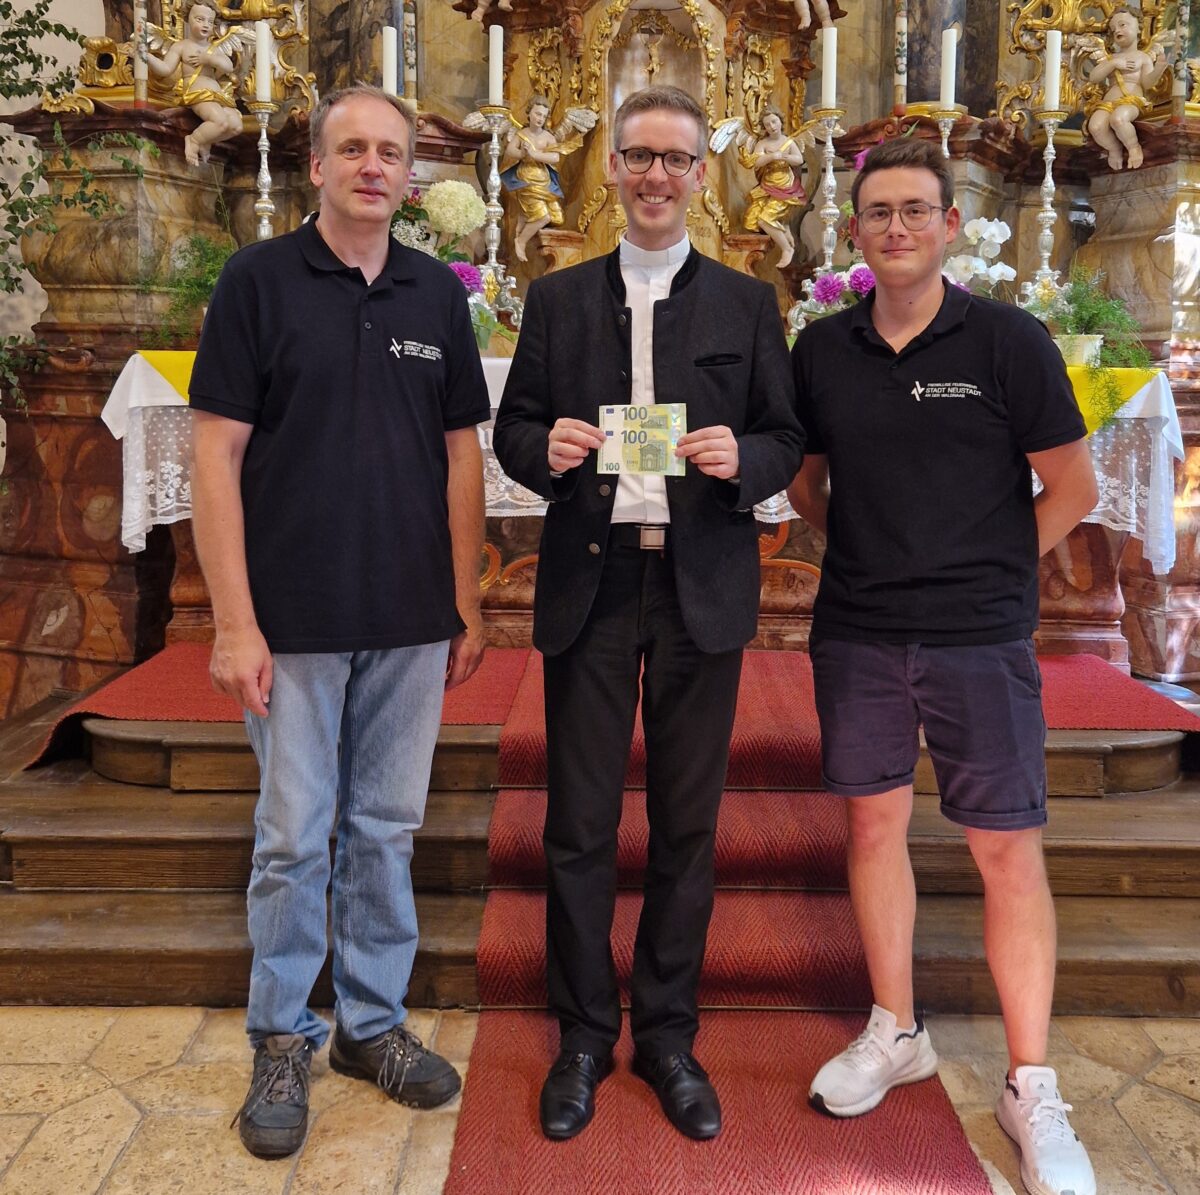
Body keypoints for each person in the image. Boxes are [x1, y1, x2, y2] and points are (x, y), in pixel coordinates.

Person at [788, 137, 1098, 1195]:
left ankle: (1029, 1082)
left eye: (917, 210)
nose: (897, 228)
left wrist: (989, 568)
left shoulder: (1008, 340)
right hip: (860, 630)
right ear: (855, 230)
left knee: (1005, 848)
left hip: (980, 637)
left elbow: (1072, 487)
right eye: (879, 212)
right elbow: (807, 485)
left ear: (951, 224)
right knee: (873, 826)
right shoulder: (822, 349)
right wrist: (873, 552)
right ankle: (897, 1028)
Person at [494, 84, 803, 1144]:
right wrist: (545, 449)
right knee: (578, 824)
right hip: (593, 579)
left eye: (675, 158)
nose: (656, 175)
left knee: (687, 823)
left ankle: (668, 1033)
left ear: (702, 174)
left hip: (696, 584)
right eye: (639, 156)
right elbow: (514, 427)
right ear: (614, 168)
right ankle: (584, 1033)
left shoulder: (746, 304)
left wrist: (741, 457)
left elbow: (784, 435)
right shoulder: (558, 298)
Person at [189, 83, 489, 1159]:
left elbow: (460, 454)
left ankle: (370, 1023)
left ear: (410, 176)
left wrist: (465, 598)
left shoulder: (434, 293)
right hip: (294, 615)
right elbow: (215, 452)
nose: (372, 166)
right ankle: (282, 1035)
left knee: (385, 828)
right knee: (291, 837)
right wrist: (234, 622)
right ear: (316, 166)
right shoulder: (257, 280)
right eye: (353, 149)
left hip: (409, 616)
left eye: (390, 153)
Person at [139, 0, 243, 166]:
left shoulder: (213, 48)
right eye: (200, 19)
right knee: (221, 122)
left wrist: (208, 59)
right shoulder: (181, 46)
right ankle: (194, 140)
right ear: (188, 18)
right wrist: (147, 56)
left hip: (218, 96)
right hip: (198, 94)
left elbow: (228, 66)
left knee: (236, 126)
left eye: (210, 21)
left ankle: (207, 140)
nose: (206, 24)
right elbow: (165, 69)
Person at [501, 94, 585, 262]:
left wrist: (534, 154)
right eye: (537, 114)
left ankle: (525, 216)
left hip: (544, 181)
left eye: (544, 116)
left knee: (557, 219)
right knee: (543, 217)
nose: (540, 118)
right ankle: (521, 241)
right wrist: (522, 153)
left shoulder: (548, 137)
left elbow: (555, 157)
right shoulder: (521, 134)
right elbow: (510, 150)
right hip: (526, 180)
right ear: (529, 113)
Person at [1085, 7, 1169, 171]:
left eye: (1122, 25)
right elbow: (1093, 77)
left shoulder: (1143, 57)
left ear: (1138, 28)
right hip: (1108, 103)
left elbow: (1147, 83)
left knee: (1119, 119)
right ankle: (1114, 148)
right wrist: (1114, 63)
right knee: (1095, 126)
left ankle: (1133, 147)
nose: (1117, 30)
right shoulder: (1112, 58)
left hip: (1131, 100)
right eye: (1113, 29)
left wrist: (1158, 69)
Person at [737, 106, 807, 268]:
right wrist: (772, 156)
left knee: (764, 220)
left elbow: (799, 159)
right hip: (767, 185)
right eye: (767, 124)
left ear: (781, 121)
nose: (772, 126)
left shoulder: (788, 142)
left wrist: (786, 157)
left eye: (774, 122)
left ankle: (786, 248)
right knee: (751, 219)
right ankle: (784, 227)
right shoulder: (763, 143)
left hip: (784, 187)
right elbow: (757, 162)